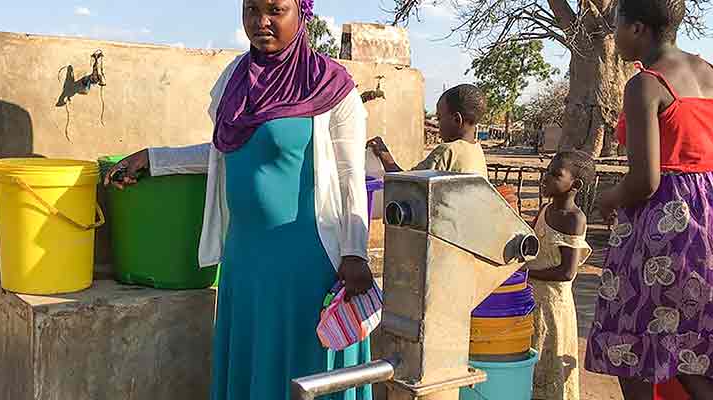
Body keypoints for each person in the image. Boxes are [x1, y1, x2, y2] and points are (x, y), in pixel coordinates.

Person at [104, 1, 374, 399]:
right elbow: (222, 151)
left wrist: (355, 251)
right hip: (245, 260)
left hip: (306, 263)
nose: (260, 21)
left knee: (303, 373)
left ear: (302, 13)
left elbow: (353, 173)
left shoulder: (330, 86)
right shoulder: (236, 79)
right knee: (253, 368)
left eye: (275, 9)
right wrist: (154, 159)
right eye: (250, 9)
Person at [584, 0, 713, 398]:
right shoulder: (712, 73)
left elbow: (645, 181)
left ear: (637, 29)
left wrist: (609, 198)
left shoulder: (646, 84)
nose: (614, 33)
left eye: (617, 23)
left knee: (630, 334)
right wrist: (708, 166)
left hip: (667, 222)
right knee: (694, 345)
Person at [525, 150, 595, 400]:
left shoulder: (574, 219)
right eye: (548, 171)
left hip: (554, 308)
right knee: (533, 365)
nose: (546, 177)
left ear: (575, 185)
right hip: (532, 302)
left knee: (551, 367)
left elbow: (567, 272)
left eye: (556, 175)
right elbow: (533, 246)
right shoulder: (545, 209)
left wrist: (527, 272)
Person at [366, 84, 488, 177]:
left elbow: (405, 182)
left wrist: (384, 153)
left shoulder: (447, 151)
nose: (438, 124)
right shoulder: (476, 150)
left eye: (439, 118)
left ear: (457, 120)